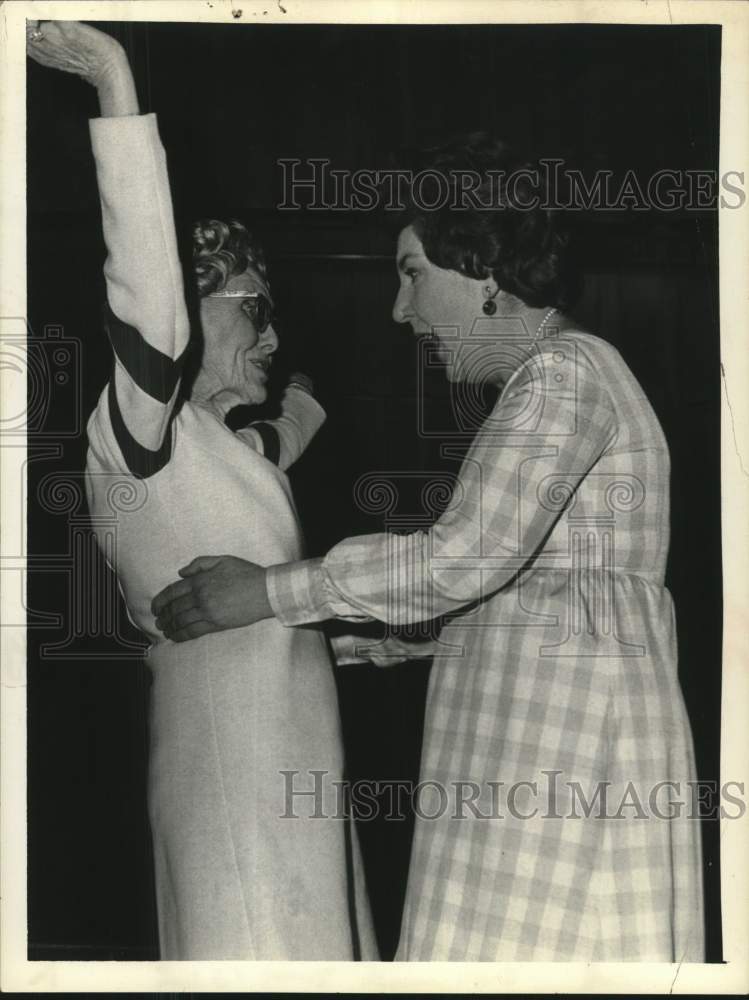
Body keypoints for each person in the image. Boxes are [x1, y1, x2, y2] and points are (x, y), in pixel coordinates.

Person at [152, 135, 706, 961]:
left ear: (483, 270)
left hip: (560, 755)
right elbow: (543, 599)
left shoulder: (563, 373)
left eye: (410, 273)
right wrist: (378, 647)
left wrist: (269, 590)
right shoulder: (554, 380)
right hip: (541, 743)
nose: (398, 312)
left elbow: (463, 557)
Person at [27, 20, 376, 961]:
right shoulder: (141, 434)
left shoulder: (234, 451)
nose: (269, 334)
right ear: (190, 308)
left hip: (301, 767)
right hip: (229, 763)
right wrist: (113, 83)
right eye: (252, 312)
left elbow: (291, 430)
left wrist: (303, 393)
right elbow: (145, 285)